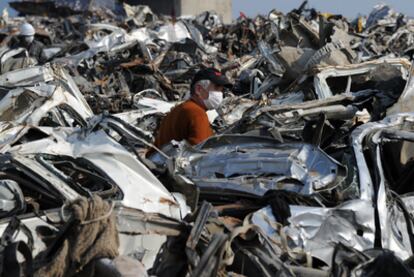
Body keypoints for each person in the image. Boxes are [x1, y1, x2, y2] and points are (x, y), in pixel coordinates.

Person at [150, 68, 232, 153]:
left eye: (222, 90)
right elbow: (202, 154)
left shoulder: (180, 108)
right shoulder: (197, 113)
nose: (220, 94)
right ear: (199, 90)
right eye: (216, 88)